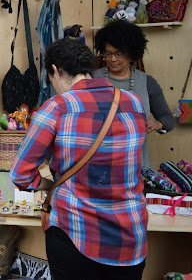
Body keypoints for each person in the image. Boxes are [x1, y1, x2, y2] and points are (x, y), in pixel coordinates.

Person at [10, 38, 148, 280]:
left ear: (55, 70)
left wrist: (50, 185)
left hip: (75, 233)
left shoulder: (57, 107)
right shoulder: (133, 102)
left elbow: (20, 174)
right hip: (129, 235)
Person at [93, 20, 174, 167]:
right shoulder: (91, 79)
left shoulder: (146, 82)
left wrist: (157, 124)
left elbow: (167, 118)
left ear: (131, 54)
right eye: (108, 53)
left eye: (119, 54)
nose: (112, 59)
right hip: (100, 164)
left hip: (136, 165)